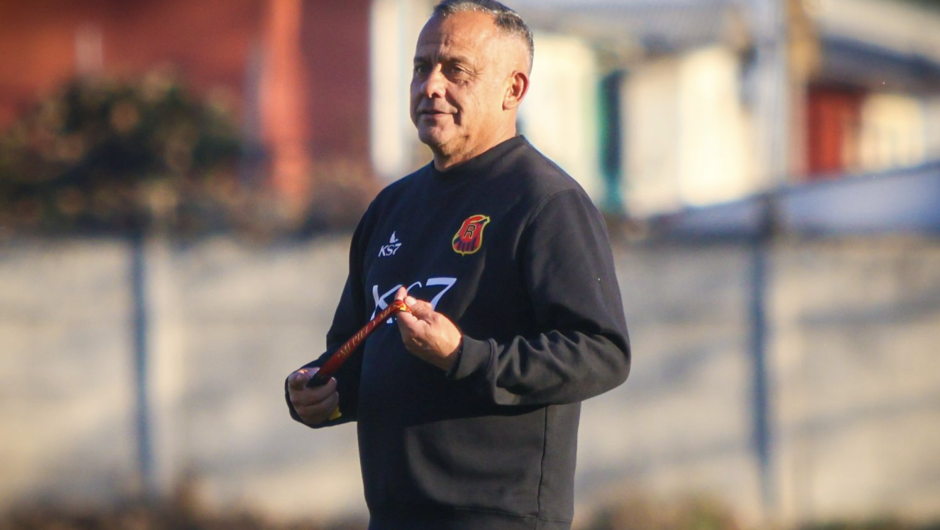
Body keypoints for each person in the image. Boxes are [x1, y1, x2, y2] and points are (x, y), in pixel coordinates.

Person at [285, 1, 630, 528]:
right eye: (421, 67)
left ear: (513, 89)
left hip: (498, 517)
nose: (430, 86)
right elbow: (355, 354)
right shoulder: (390, 207)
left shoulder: (545, 201)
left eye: (456, 70)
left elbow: (601, 352)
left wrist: (464, 356)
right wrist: (320, 392)